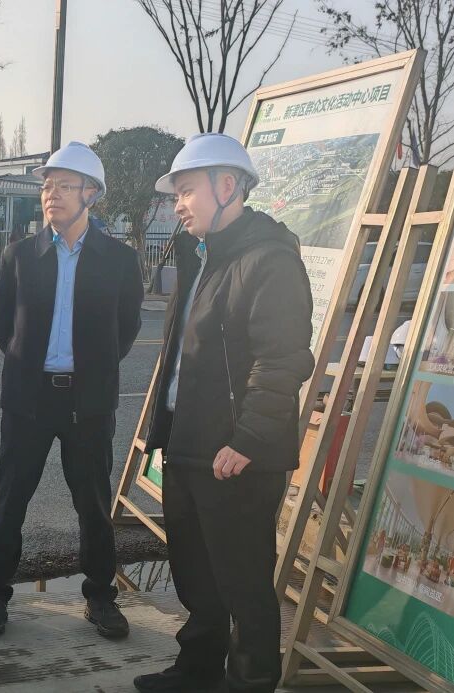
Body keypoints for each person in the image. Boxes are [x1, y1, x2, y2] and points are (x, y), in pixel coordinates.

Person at [134, 133, 314, 693]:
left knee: (243, 582)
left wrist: (248, 440)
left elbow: (282, 361)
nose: (178, 205)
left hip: (237, 455)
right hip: (189, 443)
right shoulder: (200, 256)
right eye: (176, 195)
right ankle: (198, 669)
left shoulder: (270, 261)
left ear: (228, 186)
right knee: (196, 573)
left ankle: (251, 680)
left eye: (187, 191)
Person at [0, 141, 144, 639]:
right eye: (47, 186)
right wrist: (31, 363)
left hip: (88, 402)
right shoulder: (20, 255)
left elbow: (126, 328)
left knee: (93, 505)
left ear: (92, 194)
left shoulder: (119, 260)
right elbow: (2, 323)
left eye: (65, 186)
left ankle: (100, 597)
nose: (52, 194)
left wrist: (89, 369)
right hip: (28, 399)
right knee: (10, 500)